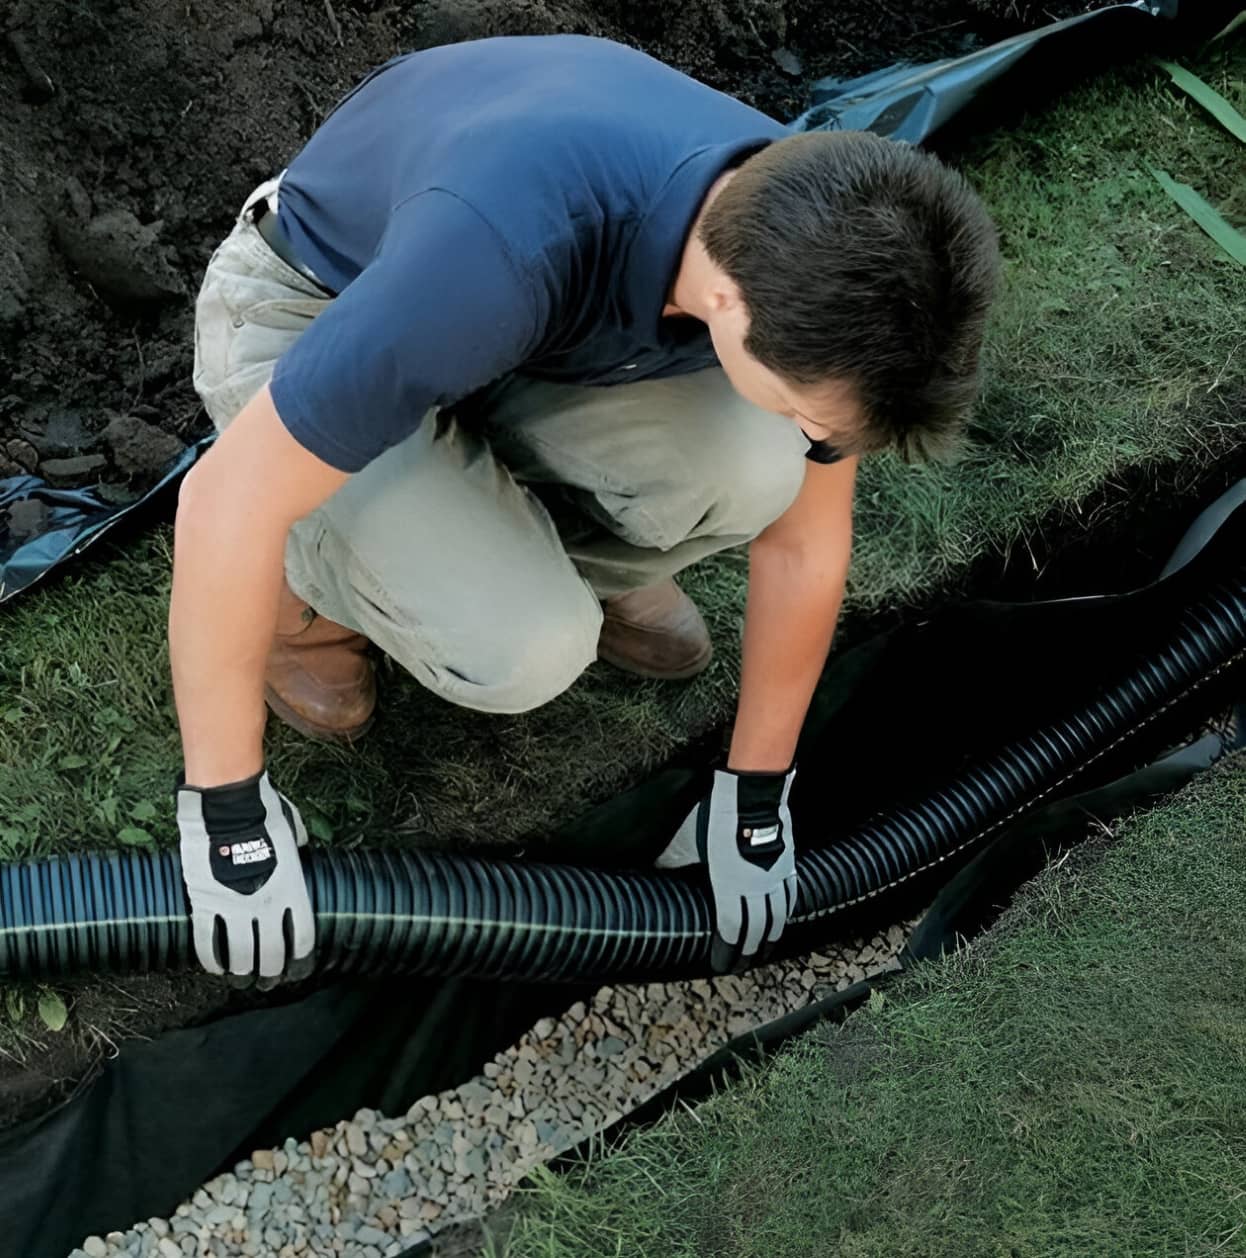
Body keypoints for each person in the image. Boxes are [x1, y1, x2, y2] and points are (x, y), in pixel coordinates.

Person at [172, 34, 1001, 987]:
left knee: (756, 463)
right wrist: (228, 816)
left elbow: (805, 543)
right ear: (725, 302)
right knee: (520, 649)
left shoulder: (805, 223)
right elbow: (221, 503)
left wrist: (757, 795)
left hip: (520, 332)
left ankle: (489, 522)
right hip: (319, 302)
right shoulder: (497, 249)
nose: (815, 433)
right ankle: (300, 605)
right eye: (806, 406)